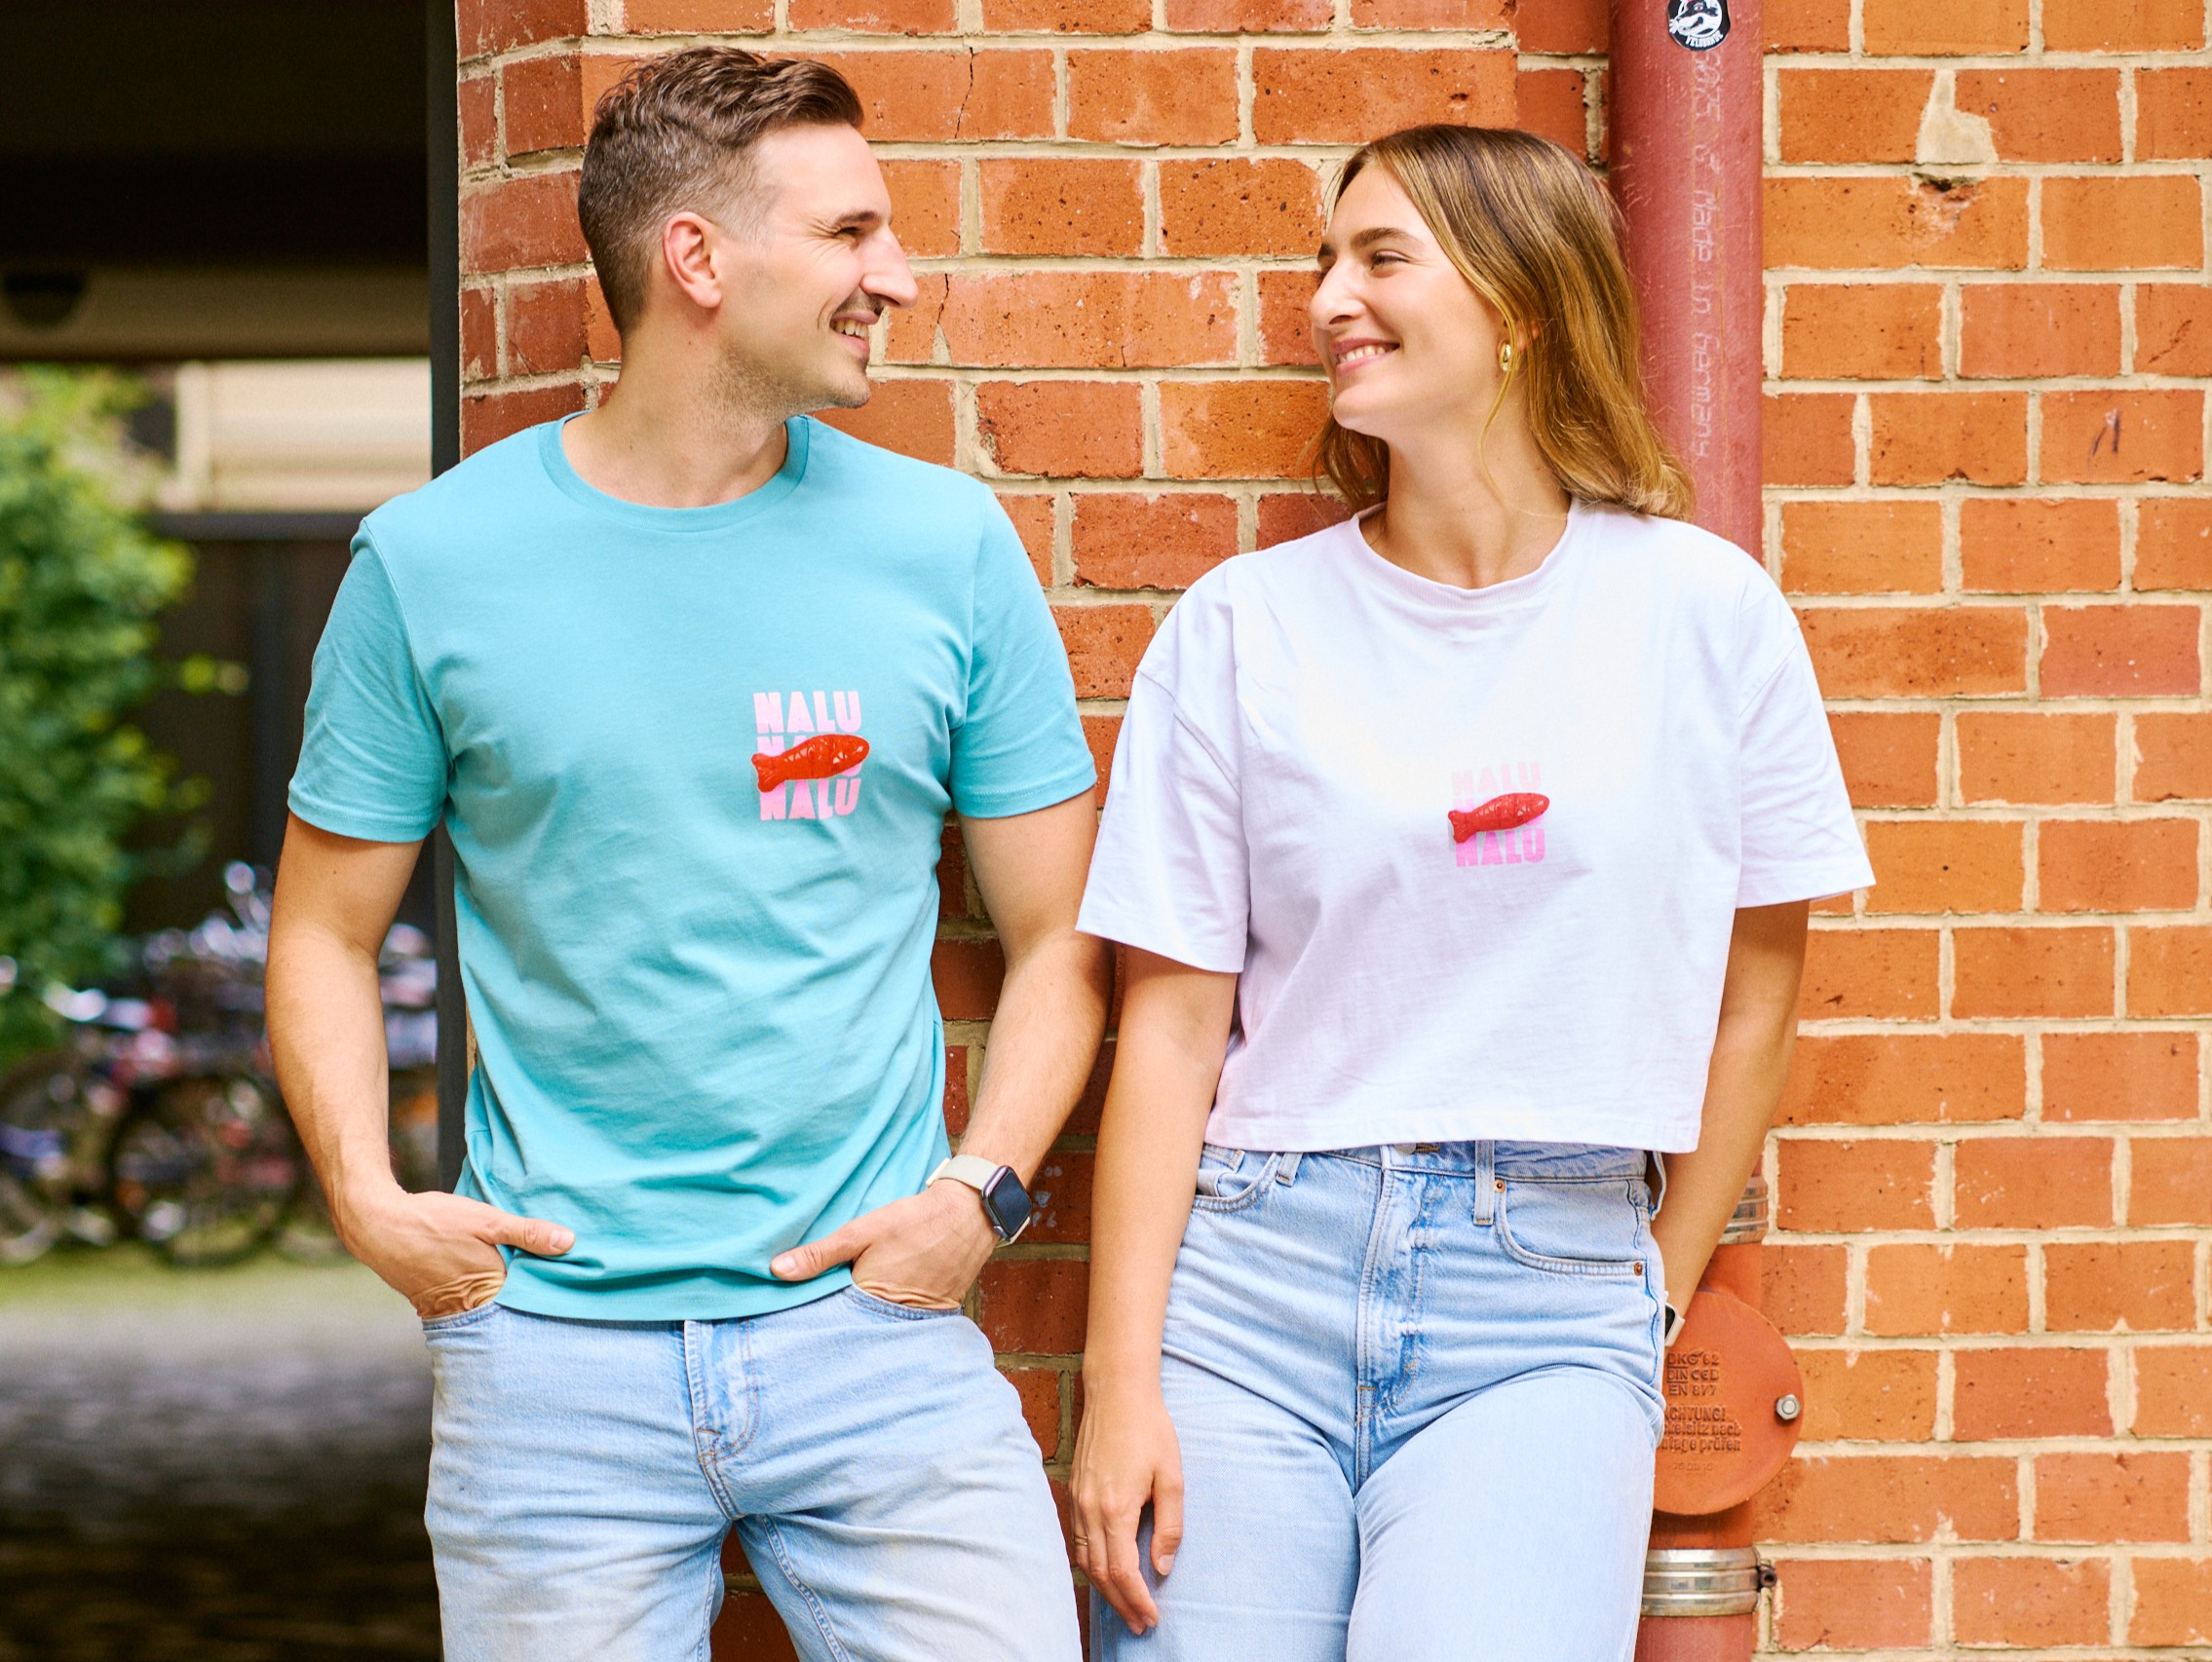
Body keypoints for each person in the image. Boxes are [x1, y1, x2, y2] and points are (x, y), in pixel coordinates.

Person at [266, 48, 1105, 1662]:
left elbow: (1060, 932)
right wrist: (369, 1202)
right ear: (698, 260)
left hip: (874, 1338)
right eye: (850, 233)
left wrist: (975, 1198)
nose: (897, 276)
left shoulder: (946, 549)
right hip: (549, 1365)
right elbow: (320, 930)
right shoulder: (430, 564)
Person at [1068, 124, 1874, 1662]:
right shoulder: (1240, 628)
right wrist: (1119, 1385)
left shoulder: (1706, 616)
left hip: (1547, 1299)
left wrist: (1643, 1294)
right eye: (1325, 262)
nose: (1328, 299)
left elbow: (1754, 1004)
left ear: (1518, 304)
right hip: (1249, 1285)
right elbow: (1164, 1033)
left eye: (1380, 258)